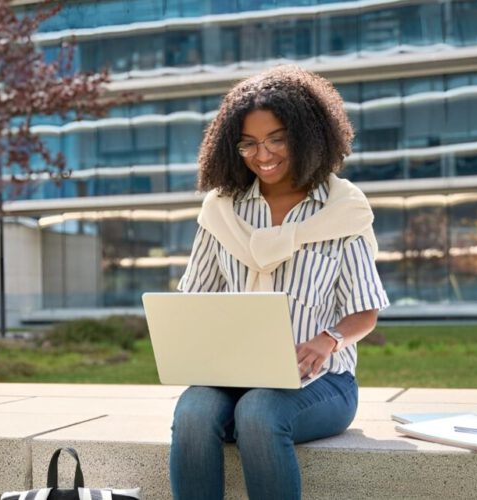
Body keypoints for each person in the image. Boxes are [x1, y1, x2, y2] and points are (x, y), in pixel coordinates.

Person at [170, 65, 390, 500]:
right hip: (233, 375)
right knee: (194, 412)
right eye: (249, 143)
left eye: (276, 138)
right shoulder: (222, 211)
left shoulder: (343, 209)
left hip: (321, 382)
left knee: (259, 411)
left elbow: (365, 311)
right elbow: (194, 299)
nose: (262, 154)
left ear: (307, 135)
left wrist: (326, 341)